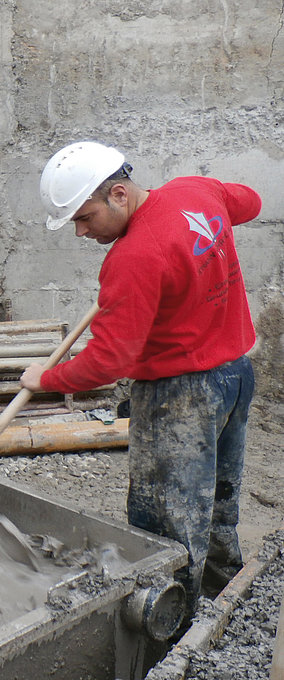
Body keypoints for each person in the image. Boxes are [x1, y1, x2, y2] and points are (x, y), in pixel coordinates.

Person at [20, 141, 259, 616]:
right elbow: (249, 202)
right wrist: (202, 240)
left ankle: (170, 626)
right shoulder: (196, 191)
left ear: (119, 195)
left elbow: (108, 363)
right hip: (235, 374)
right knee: (215, 506)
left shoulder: (133, 258)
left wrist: (46, 378)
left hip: (180, 398)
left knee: (165, 526)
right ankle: (226, 601)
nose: (81, 232)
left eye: (85, 218)